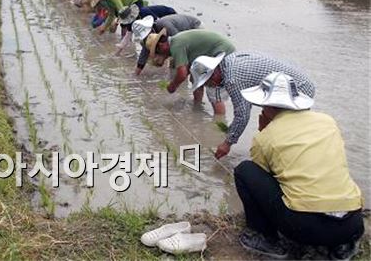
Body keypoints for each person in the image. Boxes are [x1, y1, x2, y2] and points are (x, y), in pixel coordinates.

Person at [234, 72, 364, 259]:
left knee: (245, 170)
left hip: (305, 228)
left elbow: (263, 176)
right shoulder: (328, 121)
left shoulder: (266, 137)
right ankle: (341, 246)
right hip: (353, 224)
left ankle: (267, 240)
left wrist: (264, 130)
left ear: (267, 106)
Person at [189, 51, 315, 159]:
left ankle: (282, 160)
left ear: (214, 73)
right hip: (295, 84)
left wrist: (227, 143)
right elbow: (246, 106)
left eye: (208, 82)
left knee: (281, 128)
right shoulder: (229, 61)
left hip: (298, 89)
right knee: (266, 119)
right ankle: (266, 155)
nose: (210, 86)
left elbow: (242, 115)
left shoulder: (232, 79)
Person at [145, 29, 235, 115]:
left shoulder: (176, 46)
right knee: (195, 77)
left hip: (223, 53)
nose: (161, 55)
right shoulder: (176, 41)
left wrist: (172, 86)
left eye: (158, 52)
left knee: (214, 92)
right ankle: (197, 107)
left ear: (161, 45)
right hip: (215, 52)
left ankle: (219, 120)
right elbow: (187, 69)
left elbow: (182, 74)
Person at [131, 14, 202, 74]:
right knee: (173, 66)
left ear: (150, 29)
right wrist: (136, 74)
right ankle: (179, 86)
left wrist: (164, 56)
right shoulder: (149, 38)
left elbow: (180, 42)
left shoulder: (164, 25)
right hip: (183, 37)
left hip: (195, 28)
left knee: (188, 64)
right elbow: (143, 54)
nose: (147, 37)